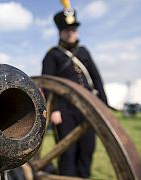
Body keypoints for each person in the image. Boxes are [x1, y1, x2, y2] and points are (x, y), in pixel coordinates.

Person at [41, 4, 108, 178]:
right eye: (67, 30)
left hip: (87, 108)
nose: (71, 32)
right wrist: (54, 109)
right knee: (68, 153)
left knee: (87, 149)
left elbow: (96, 78)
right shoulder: (52, 55)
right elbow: (47, 84)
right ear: (60, 32)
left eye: (73, 29)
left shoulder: (84, 51)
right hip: (64, 109)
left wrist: (104, 105)